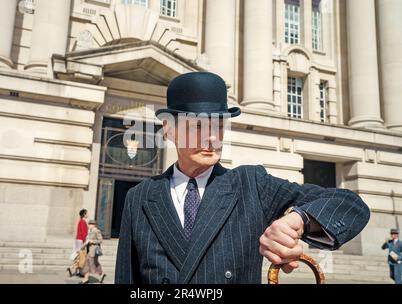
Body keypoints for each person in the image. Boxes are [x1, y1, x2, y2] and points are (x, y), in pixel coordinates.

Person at [115, 71, 371, 284]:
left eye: (219, 125)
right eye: (199, 126)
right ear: (169, 130)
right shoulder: (140, 198)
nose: (212, 137)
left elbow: (350, 204)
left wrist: (299, 219)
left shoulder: (251, 185)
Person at [80, 220, 106, 284]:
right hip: (89, 250)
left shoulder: (97, 231)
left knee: (87, 263)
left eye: (90, 224)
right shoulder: (89, 231)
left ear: (94, 225)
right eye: (88, 224)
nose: (89, 225)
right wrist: (83, 246)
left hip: (94, 250)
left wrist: (93, 241)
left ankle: (86, 279)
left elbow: (100, 240)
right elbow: (87, 240)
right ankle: (102, 274)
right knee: (95, 263)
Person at [67, 209, 88, 277]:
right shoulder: (83, 222)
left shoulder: (81, 221)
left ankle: (77, 272)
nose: (87, 214)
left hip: (78, 240)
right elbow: (83, 232)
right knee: (80, 256)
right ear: (84, 214)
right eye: (86, 213)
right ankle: (72, 268)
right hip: (81, 241)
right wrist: (85, 242)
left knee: (78, 256)